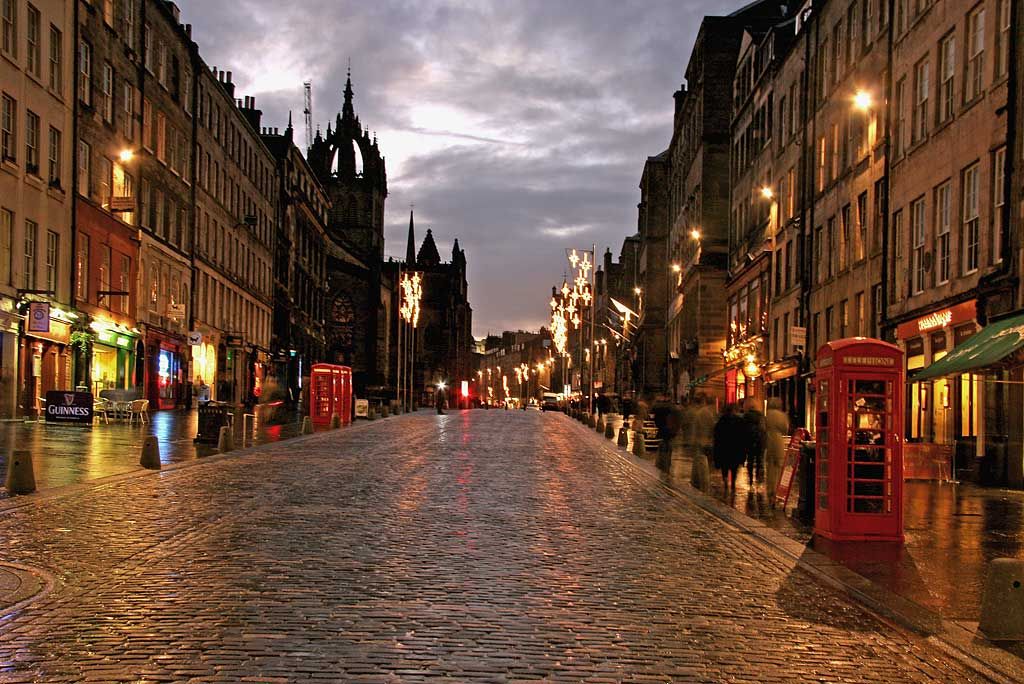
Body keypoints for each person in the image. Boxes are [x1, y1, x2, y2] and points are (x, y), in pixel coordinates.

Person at [713, 403, 746, 491]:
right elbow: (743, 437)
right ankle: (733, 484)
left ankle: (725, 480)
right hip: (735, 448)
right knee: (734, 467)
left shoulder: (722, 420)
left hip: (724, 448)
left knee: (725, 466)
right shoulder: (739, 421)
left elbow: (717, 435)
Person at [764, 398, 790, 504]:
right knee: (778, 468)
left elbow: (763, 427)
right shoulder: (782, 415)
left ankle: (770, 491)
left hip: (768, 441)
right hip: (779, 442)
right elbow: (785, 429)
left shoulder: (767, 414)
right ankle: (776, 491)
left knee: (770, 468)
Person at [741, 398, 767, 487]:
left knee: (750, 460)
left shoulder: (745, 416)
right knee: (760, 460)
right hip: (760, 441)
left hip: (749, 440)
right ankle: (759, 479)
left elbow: (743, 430)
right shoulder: (761, 416)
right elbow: (764, 429)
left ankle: (751, 478)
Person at [651, 392, 677, 471]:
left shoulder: (657, 406)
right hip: (669, 428)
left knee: (663, 444)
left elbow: (653, 415)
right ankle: (666, 463)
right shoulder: (671, 407)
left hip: (661, 427)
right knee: (668, 445)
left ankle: (661, 462)